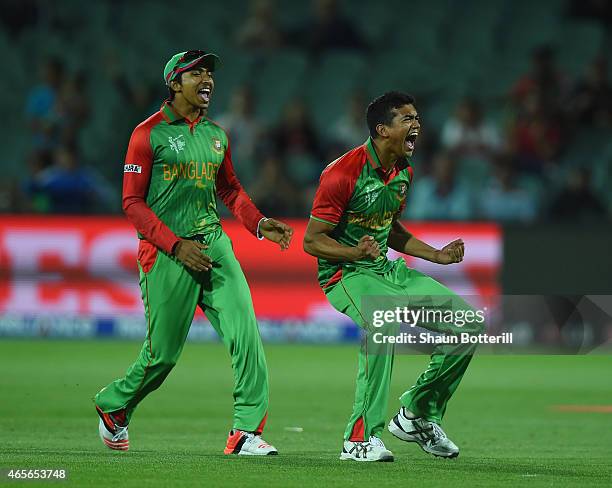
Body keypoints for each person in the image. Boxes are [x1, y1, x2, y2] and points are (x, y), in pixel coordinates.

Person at [94, 50, 293, 456]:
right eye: (196, 73)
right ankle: (114, 405)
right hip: (168, 252)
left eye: (209, 73)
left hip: (214, 245)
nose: (207, 79)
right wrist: (175, 245)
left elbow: (230, 189)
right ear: (173, 83)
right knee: (162, 356)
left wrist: (258, 223)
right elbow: (132, 204)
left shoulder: (216, 134)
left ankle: (245, 431)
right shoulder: (146, 134)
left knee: (246, 335)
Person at [303, 92, 483, 462]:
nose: (416, 124)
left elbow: (390, 226)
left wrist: (434, 254)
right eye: (407, 119)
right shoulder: (342, 173)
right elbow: (312, 241)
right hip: (347, 273)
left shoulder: (404, 171)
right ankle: (359, 440)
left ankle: (416, 415)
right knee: (383, 323)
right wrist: (354, 252)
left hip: (386, 269)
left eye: (416, 117)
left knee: (469, 324)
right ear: (382, 130)